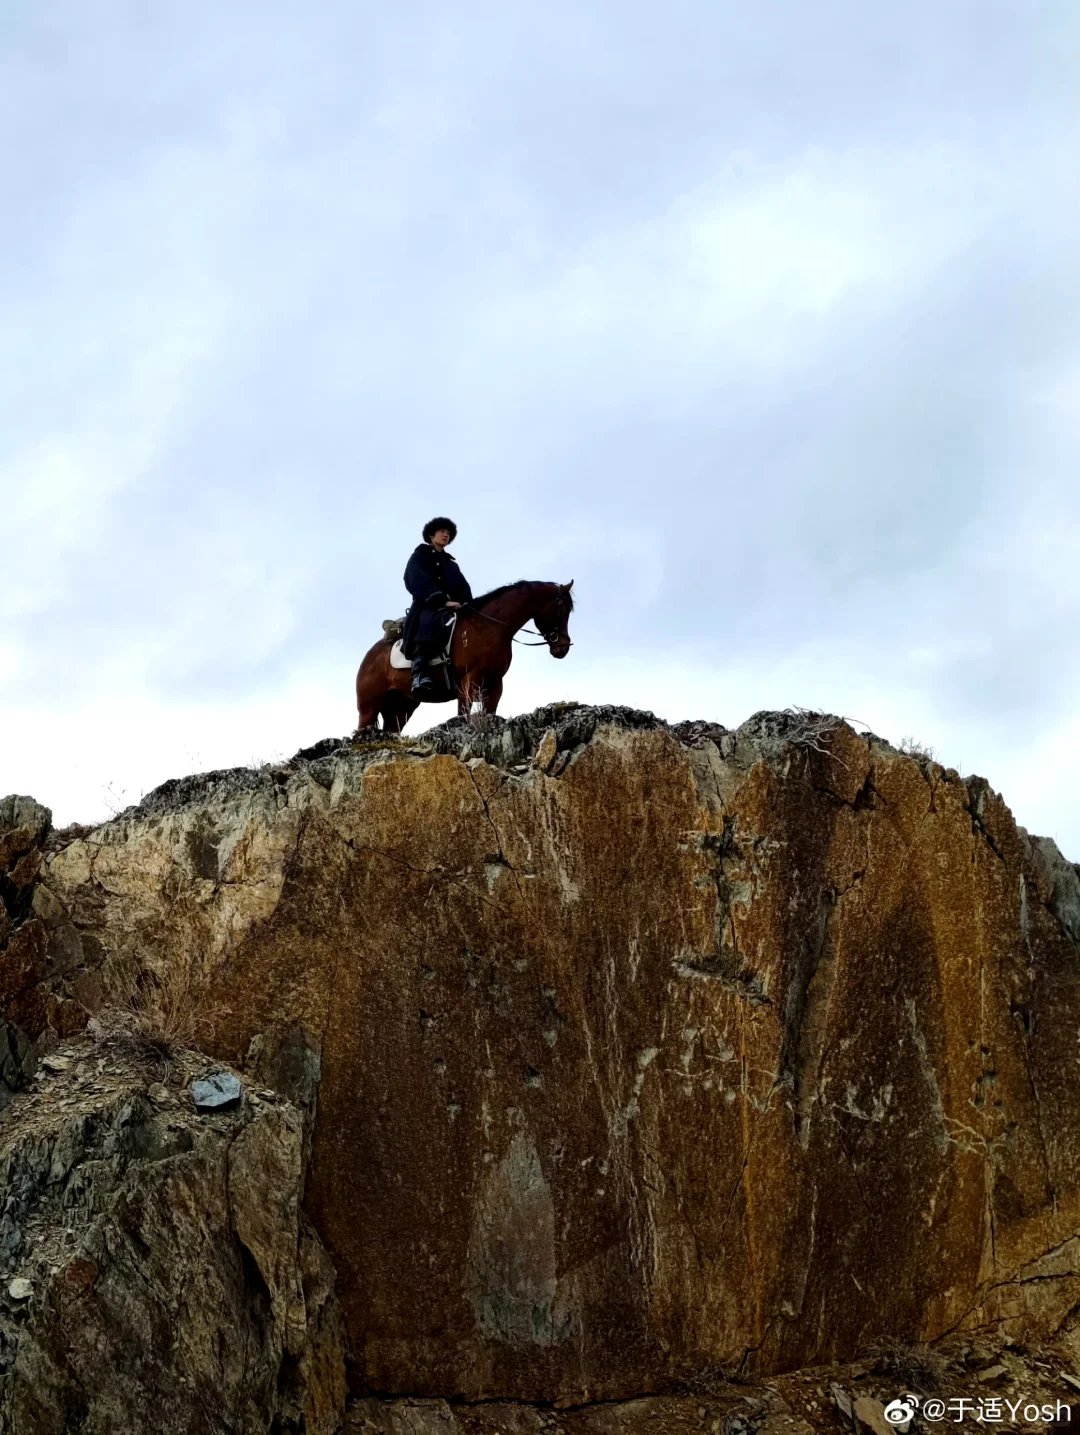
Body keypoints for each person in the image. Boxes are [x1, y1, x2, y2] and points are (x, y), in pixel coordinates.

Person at [401, 517, 473, 695]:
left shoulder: (451, 565)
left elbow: (463, 587)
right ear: (431, 535)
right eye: (442, 531)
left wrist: (466, 604)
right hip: (427, 605)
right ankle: (419, 673)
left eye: (448, 533)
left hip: (452, 608)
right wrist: (441, 600)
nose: (446, 535)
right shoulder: (419, 556)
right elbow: (415, 579)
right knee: (429, 622)